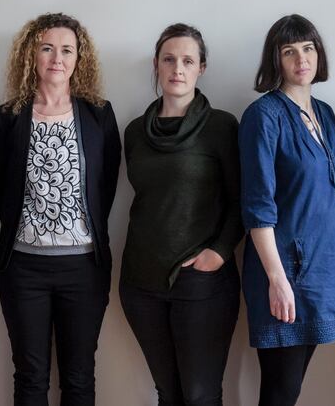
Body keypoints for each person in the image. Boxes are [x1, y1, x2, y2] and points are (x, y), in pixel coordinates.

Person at [239, 14, 335, 406]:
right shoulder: (263, 116)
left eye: (308, 48)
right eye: (289, 51)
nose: (301, 59)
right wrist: (277, 281)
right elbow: (258, 206)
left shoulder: (325, 113)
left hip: (327, 273)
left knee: (291, 389)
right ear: (275, 60)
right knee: (280, 392)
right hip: (286, 275)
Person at [0, 12, 121, 406]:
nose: (57, 58)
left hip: (84, 268)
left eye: (66, 50)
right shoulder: (8, 116)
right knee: (30, 378)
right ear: (31, 55)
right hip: (23, 269)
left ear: (79, 58)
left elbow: (106, 185)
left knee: (78, 377)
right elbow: (0, 185)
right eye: (47, 48)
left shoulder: (99, 114)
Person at [120, 23, 242, 406]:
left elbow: (242, 200)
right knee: (168, 394)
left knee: (201, 395)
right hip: (141, 282)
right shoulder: (135, 131)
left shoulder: (221, 126)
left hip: (202, 283)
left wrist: (219, 252)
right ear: (156, 64)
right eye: (169, 59)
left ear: (201, 68)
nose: (177, 69)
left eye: (188, 61)